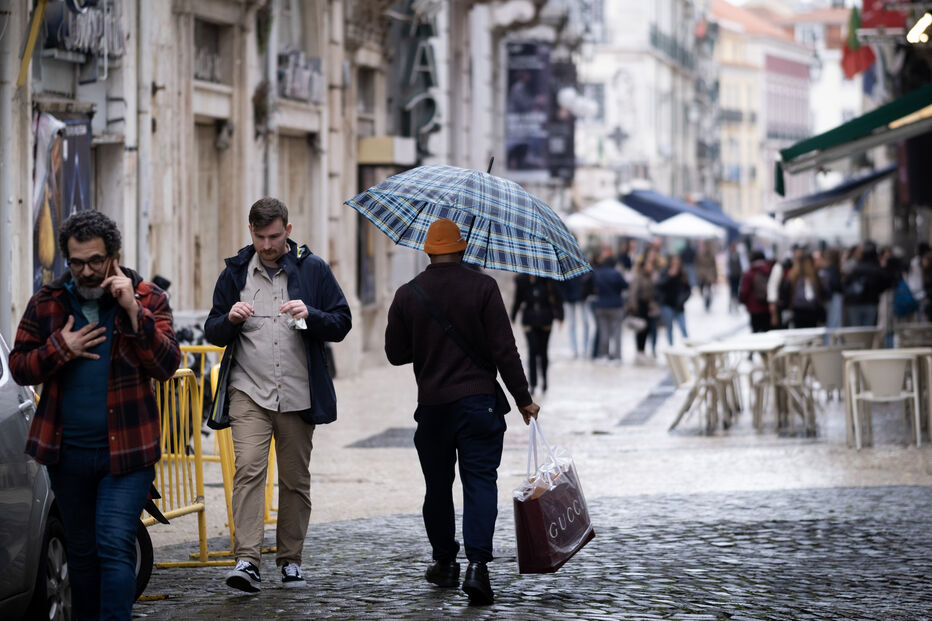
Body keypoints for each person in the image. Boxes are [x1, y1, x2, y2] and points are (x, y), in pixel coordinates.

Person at [10, 210, 182, 620]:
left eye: (95, 261)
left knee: (113, 542)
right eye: (76, 262)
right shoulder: (47, 303)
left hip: (128, 455)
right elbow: (18, 367)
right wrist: (59, 348)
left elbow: (167, 364)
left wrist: (134, 314)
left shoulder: (148, 298)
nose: (86, 271)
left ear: (113, 256)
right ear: (66, 260)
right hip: (67, 453)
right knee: (82, 554)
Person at [384, 218, 540, 606]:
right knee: (480, 483)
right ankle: (478, 568)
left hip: (433, 407)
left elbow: (395, 353)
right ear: (463, 247)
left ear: (427, 250)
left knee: (437, 487)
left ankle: (444, 562)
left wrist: (426, 341)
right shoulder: (484, 287)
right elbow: (505, 350)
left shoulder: (408, 293)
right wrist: (523, 400)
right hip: (480, 406)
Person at [204, 197, 351, 593]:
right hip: (247, 391)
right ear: (250, 231)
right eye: (259, 236)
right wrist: (229, 319)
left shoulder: (313, 269)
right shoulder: (235, 272)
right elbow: (212, 330)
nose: (266, 245)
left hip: (298, 395)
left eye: (273, 236)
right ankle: (247, 560)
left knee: (294, 480)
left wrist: (312, 314)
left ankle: (289, 561)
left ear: (288, 229)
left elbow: (341, 322)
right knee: (248, 469)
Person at [511, 274, 564, 393]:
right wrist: (513, 315)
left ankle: (544, 380)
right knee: (532, 350)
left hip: (545, 319)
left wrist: (560, 316)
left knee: (543, 351)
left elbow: (558, 298)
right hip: (529, 319)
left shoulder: (548, 279)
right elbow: (518, 299)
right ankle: (533, 383)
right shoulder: (522, 280)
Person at [592, 256, 628, 361]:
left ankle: (604, 355)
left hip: (601, 305)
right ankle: (617, 356)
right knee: (617, 332)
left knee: (604, 332)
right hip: (616, 306)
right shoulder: (616, 274)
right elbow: (625, 285)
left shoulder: (598, 273)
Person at [626, 257, 660, 362]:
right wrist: (633, 305)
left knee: (648, 329)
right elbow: (633, 292)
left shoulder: (651, 277)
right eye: (648, 265)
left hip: (648, 306)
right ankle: (639, 350)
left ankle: (645, 350)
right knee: (641, 329)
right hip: (640, 306)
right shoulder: (638, 277)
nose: (650, 267)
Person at [657, 255, 691, 346]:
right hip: (667, 305)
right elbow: (660, 286)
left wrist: (682, 300)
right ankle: (671, 348)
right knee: (669, 328)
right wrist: (669, 276)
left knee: (683, 328)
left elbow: (688, 290)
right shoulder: (665, 272)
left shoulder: (682, 274)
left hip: (679, 306)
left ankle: (688, 347)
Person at [739, 251, 773, 333]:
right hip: (768, 308)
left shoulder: (750, 273)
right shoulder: (770, 270)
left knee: (756, 335)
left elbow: (744, 292)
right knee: (768, 334)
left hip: (754, 309)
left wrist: (743, 301)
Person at [695, 241, 718, 311]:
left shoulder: (712, 254)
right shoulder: (700, 254)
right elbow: (697, 265)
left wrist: (715, 276)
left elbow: (714, 265)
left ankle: (708, 302)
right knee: (702, 289)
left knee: (708, 290)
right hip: (702, 275)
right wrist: (698, 274)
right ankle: (705, 300)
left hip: (709, 275)